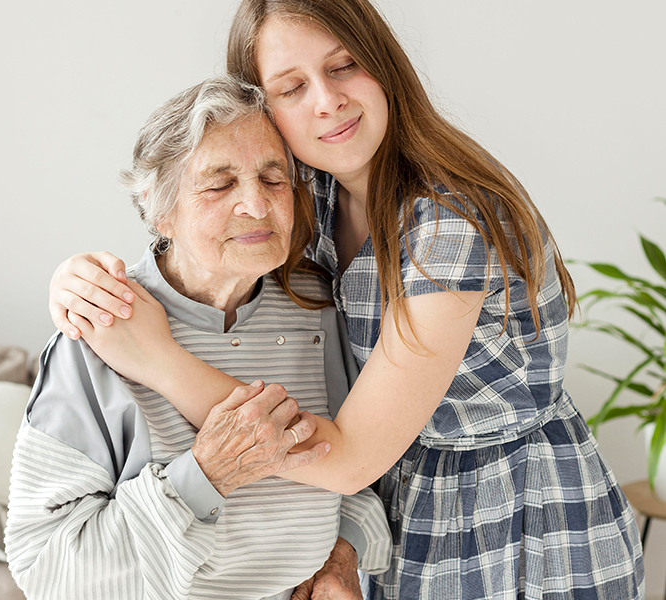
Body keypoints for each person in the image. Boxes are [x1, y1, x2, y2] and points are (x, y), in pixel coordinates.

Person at [46, 0, 645, 598]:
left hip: (517, 514)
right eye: (291, 86)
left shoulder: (447, 228)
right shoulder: (318, 198)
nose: (326, 100)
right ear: (263, 111)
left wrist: (156, 360)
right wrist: (84, 280)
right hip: (407, 502)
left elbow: (352, 457)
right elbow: (195, 224)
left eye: (343, 66)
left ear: (382, 65)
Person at [5, 75, 392, 600]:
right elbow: (48, 570)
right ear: (159, 207)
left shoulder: (318, 304)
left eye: (274, 179)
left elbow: (361, 464)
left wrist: (343, 554)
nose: (257, 205)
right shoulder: (98, 326)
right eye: (220, 183)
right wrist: (206, 474)